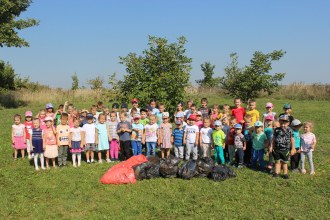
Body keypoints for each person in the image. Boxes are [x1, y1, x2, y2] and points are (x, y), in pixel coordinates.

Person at [270, 115, 295, 179]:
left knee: (284, 162)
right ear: (279, 122)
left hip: (285, 150)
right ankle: (276, 173)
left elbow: (292, 139)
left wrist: (293, 148)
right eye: (281, 123)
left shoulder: (290, 130)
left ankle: (285, 173)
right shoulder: (276, 130)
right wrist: (271, 146)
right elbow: (273, 138)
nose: (283, 125)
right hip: (277, 149)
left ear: (288, 123)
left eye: (285, 123)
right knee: (277, 162)